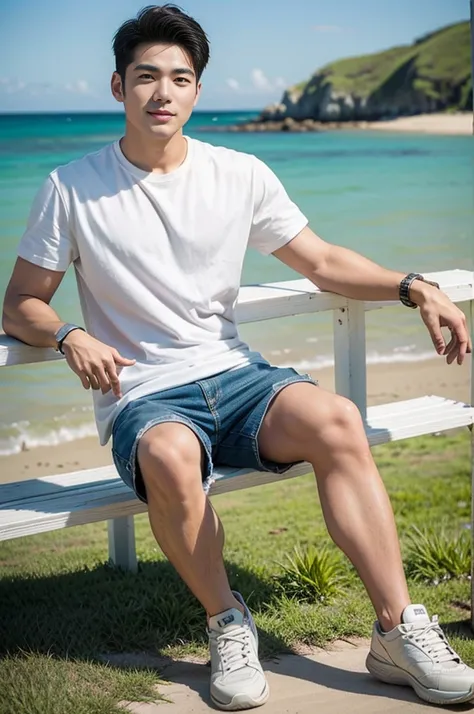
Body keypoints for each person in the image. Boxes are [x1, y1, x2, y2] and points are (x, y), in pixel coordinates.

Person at [2, 4, 473, 710]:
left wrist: (415, 287)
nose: (162, 92)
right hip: (146, 393)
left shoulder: (239, 172)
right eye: (146, 77)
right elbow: (20, 304)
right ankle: (228, 622)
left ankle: (397, 629)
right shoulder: (71, 187)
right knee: (166, 457)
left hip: (238, 376)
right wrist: (69, 334)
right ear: (117, 86)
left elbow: (320, 260)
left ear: (197, 90)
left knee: (339, 421)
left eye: (180, 78)